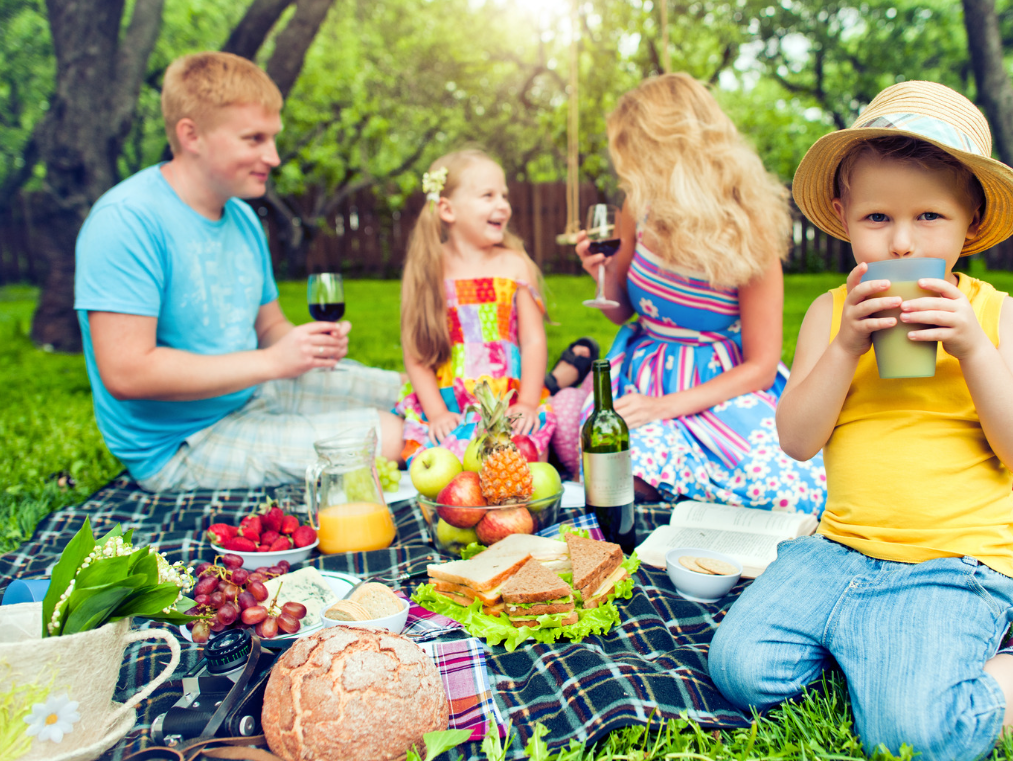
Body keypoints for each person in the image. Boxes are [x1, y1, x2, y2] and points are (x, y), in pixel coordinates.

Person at [709, 81, 1013, 759]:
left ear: (969, 223)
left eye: (927, 217)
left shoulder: (995, 316)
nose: (898, 241)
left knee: (914, 736)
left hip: (952, 563)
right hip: (837, 551)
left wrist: (972, 349)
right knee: (738, 669)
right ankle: (877, 645)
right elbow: (796, 440)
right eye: (875, 219)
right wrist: (843, 349)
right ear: (842, 214)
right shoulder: (829, 315)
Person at [74, 52, 403, 492]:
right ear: (192, 135)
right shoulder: (126, 221)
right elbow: (127, 373)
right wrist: (271, 362)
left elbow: (269, 327)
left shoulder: (242, 219)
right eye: (254, 139)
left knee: (409, 396)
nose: (274, 156)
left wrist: (302, 346)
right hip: (182, 443)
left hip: (254, 391)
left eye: (272, 138)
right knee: (390, 435)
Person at [571, 72, 824, 511]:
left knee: (791, 493)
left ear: (665, 146)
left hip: (723, 384)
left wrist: (664, 407)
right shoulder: (640, 207)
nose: (625, 166)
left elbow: (762, 367)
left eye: (632, 150)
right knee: (622, 476)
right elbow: (622, 311)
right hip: (645, 372)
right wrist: (603, 272)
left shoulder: (751, 224)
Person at [393, 149, 555, 462]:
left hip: (507, 402)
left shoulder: (515, 265)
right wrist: (437, 413)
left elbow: (533, 341)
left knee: (525, 461)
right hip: (451, 406)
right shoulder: (428, 269)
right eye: (488, 195)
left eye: (504, 196)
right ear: (447, 210)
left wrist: (527, 404)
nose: (503, 206)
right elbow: (415, 351)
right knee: (449, 468)